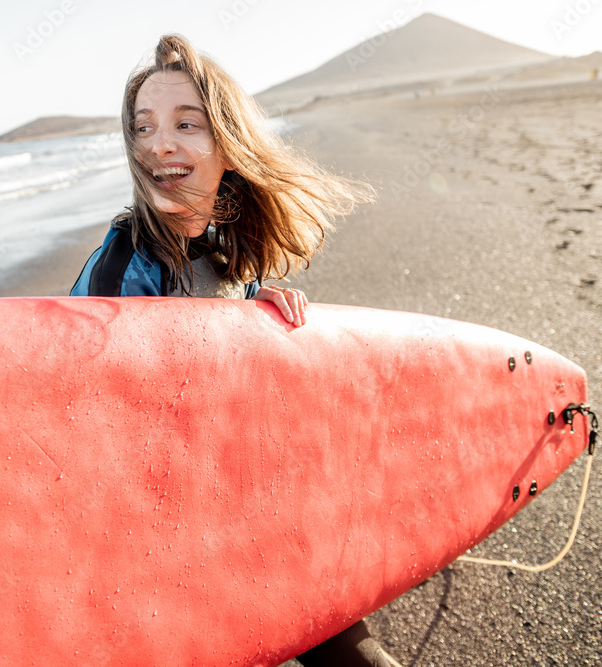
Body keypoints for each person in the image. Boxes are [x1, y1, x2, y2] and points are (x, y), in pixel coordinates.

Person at [70, 34, 396, 667]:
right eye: (143, 128)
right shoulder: (120, 270)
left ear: (227, 145)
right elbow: (93, 430)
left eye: (185, 124)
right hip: (160, 551)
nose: (158, 143)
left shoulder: (222, 260)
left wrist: (253, 316)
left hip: (247, 514)